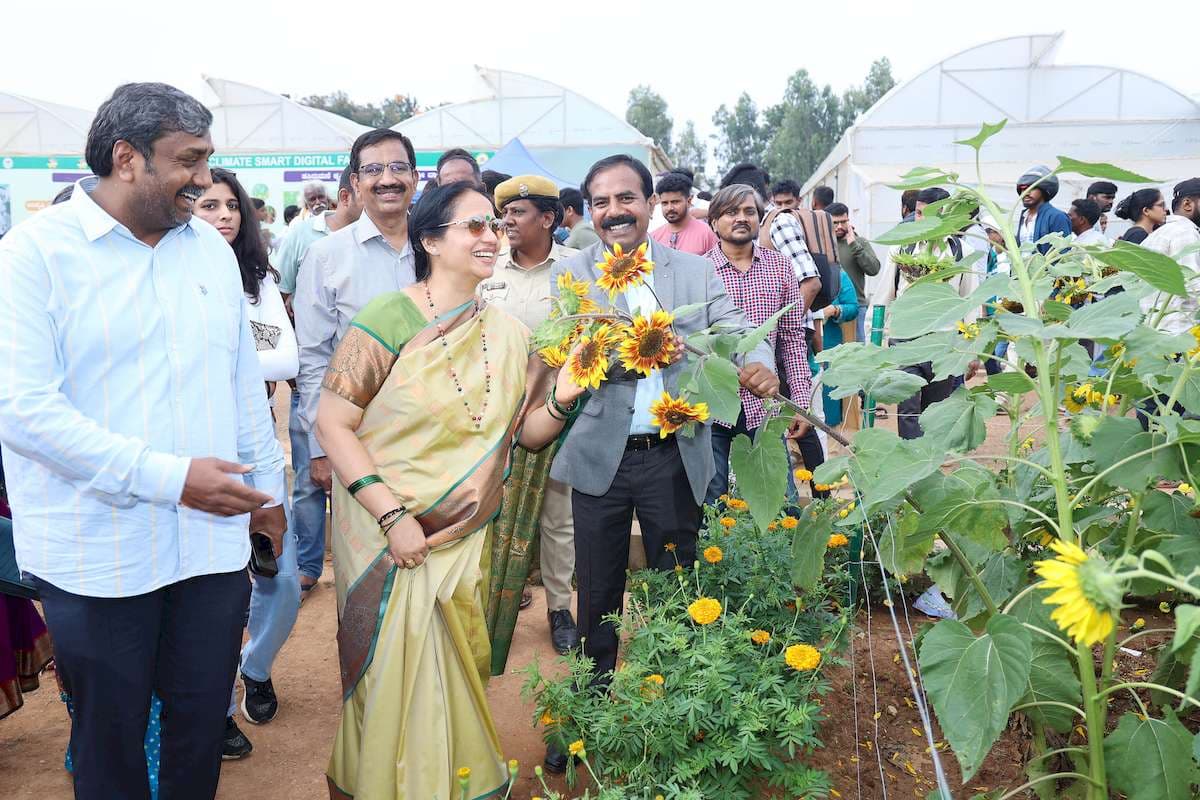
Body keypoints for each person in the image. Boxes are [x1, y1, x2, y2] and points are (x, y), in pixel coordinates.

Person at [0, 82, 286, 800]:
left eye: (209, 159)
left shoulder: (210, 256)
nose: (204, 179)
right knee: (110, 742)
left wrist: (268, 494)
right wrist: (169, 478)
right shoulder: (34, 256)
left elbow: (237, 380)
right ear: (126, 158)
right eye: (187, 160)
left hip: (210, 550)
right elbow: (24, 410)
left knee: (197, 735)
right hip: (98, 556)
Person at [317, 180, 579, 800]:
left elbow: (528, 437)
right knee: (392, 672)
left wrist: (565, 397)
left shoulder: (509, 334)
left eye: (495, 224)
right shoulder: (389, 317)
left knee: (451, 669)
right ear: (431, 240)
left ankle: (452, 782)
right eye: (474, 226)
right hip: (386, 532)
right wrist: (391, 516)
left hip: (460, 536)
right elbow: (333, 420)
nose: (492, 235)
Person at [547, 156, 779, 773]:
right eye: (600, 202)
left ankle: (683, 710)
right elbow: (571, 355)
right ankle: (585, 718)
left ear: (652, 204)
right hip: (601, 458)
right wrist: (627, 346)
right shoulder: (573, 277)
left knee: (680, 590)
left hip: (674, 457)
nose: (614, 211)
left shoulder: (695, 272)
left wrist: (756, 361)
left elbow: (736, 328)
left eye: (627, 198)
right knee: (597, 593)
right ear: (590, 212)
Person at [192, 167, 300, 755]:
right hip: (198, 455)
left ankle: (253, 668)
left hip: (256, 443)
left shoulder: (260, 280)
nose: (224, 215)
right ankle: (220, 707)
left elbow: (285, 360)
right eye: (209, 204)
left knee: (278, 582)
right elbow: (269, 359)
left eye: (232, 205)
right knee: (216, 592)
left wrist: (241, 366)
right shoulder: (178, 275)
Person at [293, 130, 419, 593]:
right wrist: (321, 447)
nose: (387, 179)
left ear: (414, 177)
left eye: (397, 168)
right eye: (373, 170)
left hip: (435, 441)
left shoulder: (437, 249)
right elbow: (313, 360)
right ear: (355, 182)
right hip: (357, 440)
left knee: (430, 567)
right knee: (366, 575)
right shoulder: (327, 256)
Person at [481, 175, 580, 657]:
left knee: (557, 517)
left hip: (554, 413)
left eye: (519, 212)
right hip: (492, 414)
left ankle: (560, 608)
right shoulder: (488, 268)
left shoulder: (573, 271)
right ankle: (491, 603)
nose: (507, 221)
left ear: (548, 218)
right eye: (505, 212)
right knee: (489, 512)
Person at [702, 183, 811, 504]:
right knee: (712, 503)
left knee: (779, 499)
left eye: (749, 212)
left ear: (759, 220)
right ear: (714, 223)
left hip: (765, 404)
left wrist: (800, 402)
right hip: (712, 407)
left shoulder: (780, 267)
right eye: (730, 212)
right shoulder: (699, 271)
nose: (741, 218)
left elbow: (792, 340)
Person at [873, 187, 981, 439]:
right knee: (907, 410)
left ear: (944, 214)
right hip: (905, 341)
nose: (919, 220)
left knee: (935, 411)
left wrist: (972, 351)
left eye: (925, 213)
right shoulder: (901, 248)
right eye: (917, 213)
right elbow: (883, 296)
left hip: (943, 346)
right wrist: (874, 339)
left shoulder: (961, 252)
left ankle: (928, 464)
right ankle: (911, 466)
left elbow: (970, 303)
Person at [277, 165, 362, 299]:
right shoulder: (297, 230)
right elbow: (283, 288)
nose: (318, 202)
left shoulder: (365, 232)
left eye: (321, 197)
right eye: (312, 199)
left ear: (328, 198)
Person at [1141, 178, 1200, 336]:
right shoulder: (1185, 232)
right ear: (1187, 204)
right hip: (1177, 331)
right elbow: (1192, 286)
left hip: (1154, 328)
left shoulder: (1159, 233)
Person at [827, 201, 880, 343]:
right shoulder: (822, 245)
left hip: (857, 306)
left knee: (857, 354)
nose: (839, 226)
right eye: (835, 222)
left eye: (843, 222)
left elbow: (874, 269)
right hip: (829, 308)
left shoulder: (859, 242)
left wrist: (853, 244)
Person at [816, 272, 859, 426]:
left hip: (829, 345)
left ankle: (830, 442)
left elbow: (853, 308)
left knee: (829, 398)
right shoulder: (786, 271)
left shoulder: (837, 275)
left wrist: (835, 310)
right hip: (797, 346)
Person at [650, 172, 718, 255]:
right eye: (665, 203)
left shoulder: (707, 234)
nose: (670, 208)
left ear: (689, 201)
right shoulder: (654, 237)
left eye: (675, 202)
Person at [1015, 165, 1071, 255]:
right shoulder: (1024, 216)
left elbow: (1063, 252)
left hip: (1043, 268)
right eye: (1022, 189)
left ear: (1044, 190)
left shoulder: (1056, 216)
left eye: (1031, 188)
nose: (1026, 193)